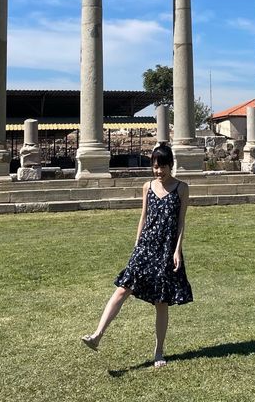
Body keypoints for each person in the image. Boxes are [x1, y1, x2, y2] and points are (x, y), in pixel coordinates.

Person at [81, 143, 193, 367]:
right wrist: (137, 244)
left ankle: (159, 353)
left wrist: (177, 250)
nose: (158, 171)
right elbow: (143, 217)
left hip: (166, 251)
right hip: (145, 247)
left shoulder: (182, 188)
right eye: (155, 167)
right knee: (122, 289)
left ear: (171, 165)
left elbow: (181, 222)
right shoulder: (147, 187)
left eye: (162, 167)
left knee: (161, 302)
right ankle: (97, 335)